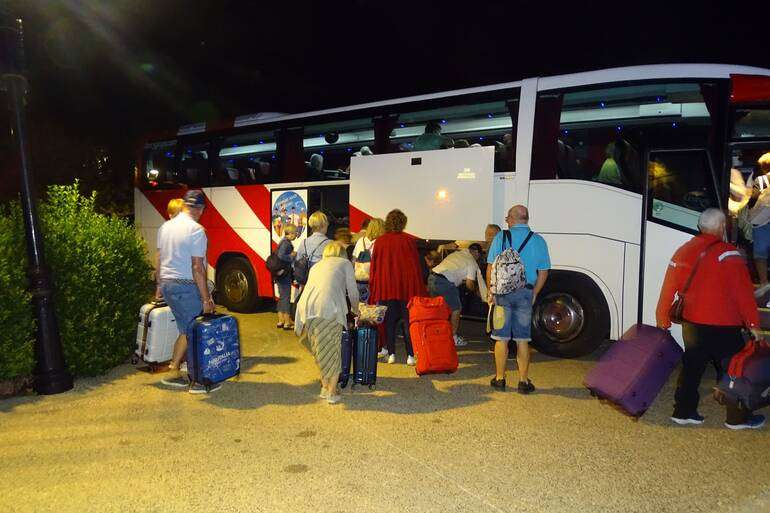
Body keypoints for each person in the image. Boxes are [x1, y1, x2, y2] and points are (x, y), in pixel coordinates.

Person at [656, 208, 765, 429]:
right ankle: (737, 419)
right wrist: (753, 324)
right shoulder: (728, 253)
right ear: (722, 227)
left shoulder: (683, 251)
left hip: (692, 323)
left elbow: (669, 288)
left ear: (701, 227)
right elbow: (742, 293)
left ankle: (683, 411)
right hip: (723, 325)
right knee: (734, 370)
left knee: (692, 367)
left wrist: (662, 318)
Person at [158, 190, 218, 394]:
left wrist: (158, 286)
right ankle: (199, 382)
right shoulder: (196, 230)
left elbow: (160, 258)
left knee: (186, 329)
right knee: (196, 332)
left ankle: (173, 371)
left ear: (184, 205)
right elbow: (197, 268)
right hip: (185, 285)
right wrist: (206, 298)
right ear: (200, 209)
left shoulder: (166, 227)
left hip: (167, 284)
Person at [487, 205, 550, 394]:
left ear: (512, 219)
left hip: (502, 296)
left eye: (507, 218)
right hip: (525, 294)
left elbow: (491, 267)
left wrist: (491, 292)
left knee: (501, 338)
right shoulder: (539, 241)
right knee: (522, 340)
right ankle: (523, 381)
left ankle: (500, 379)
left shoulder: (500, 237)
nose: (506, 221)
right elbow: (544, 272)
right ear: (526, 219)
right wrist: (535, 293)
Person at [294, 241, 359, 404]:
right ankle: (332, 392)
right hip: (329, 308)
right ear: (342, 253)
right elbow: (352, 291)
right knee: (333, 350)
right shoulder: (345, 263)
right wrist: (357, 310)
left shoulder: (317, 266)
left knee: (320, 349)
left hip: (307, 308)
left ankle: (324, 387)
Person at [368, 209, 427, 365]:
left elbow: (375, 266)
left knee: (389, 322)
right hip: (406, 289)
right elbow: (415, 267)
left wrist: (373, 286)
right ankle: (411, 356)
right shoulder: (409, 241)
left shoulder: (380, 241)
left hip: (386, 288)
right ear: (403, 223)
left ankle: (392, 354)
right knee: (408, 322)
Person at [428, 243, 482, 347]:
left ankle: (435, 335)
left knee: (437, 310)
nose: (478, 258)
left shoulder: (456, 254)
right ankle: (453, 337)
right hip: (445, 282)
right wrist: (476, 292)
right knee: (456, 309)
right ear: (476, 253)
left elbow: (455, 271)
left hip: (432, 278)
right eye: (479, 255)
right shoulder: (472, 262)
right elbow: (469, 284)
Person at [748, 152, 770, 299]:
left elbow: (752, 199)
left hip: (763, 221)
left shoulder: (762, 180)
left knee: (760, 255)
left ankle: (764, 282)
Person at [352, 217, 384, 303]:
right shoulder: (381, 243)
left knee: (361, 309)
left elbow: (354, 260)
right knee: (375, 310)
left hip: (360, 279)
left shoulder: (360, 241)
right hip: (374, 281)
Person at [275, 224, 298, 330]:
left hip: (280, 274)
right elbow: (281, 256)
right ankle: (287, 322)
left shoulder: (282, 242)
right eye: (295, 233)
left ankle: (280, 320)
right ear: (290, 233)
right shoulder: (286, 243)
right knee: (286, 297)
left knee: (281, 297)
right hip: (284, 274)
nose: (296, 235)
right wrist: (292, 256)